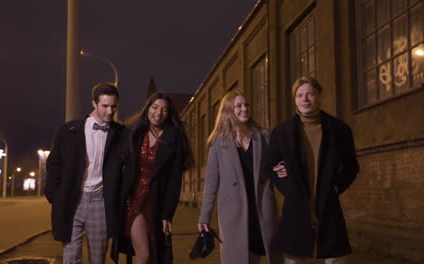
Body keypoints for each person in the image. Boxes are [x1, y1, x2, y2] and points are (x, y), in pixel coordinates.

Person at [267, 76, 360, 264]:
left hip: (328, 203)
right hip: (296, 206)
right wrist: (287, 186)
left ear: (319, 96)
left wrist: (336, 188)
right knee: (293, 258)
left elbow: (351, 166)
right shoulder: (282, 132)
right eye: (300, 95)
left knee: (334, 258)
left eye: (310, 94)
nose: (305, 99)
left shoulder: (339, 129)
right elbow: (271, 166)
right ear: (295, 99)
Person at [45, 82, 127, 264]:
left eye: (114, 106)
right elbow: (54, 165)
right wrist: (55, 196)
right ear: (94, 103)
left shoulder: (121, 134)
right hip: (72, 200)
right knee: (71, 256)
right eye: (105, 106)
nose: (110, 111)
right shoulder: (69, 130)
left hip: (100, 201)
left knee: (98, 258)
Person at [198, 91, 280, 264]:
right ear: (228, 110)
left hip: (260, 206)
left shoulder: (263, 136)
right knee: (237, 257)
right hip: (234, 209)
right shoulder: (218, 142)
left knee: (255, 254)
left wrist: (281, 168)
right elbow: (211, 182)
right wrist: (204, 216)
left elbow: (274, 164)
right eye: (239, 106)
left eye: (246, 105)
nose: (245, 109)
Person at [112, 92, 194, 264]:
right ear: (147, 108)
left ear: (169, 113)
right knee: (144, 254)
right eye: (155, 107)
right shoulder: (133, 134)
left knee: (155, 255)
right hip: (133, 200)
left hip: (157, 201)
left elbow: (174, 181)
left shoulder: (174, 139)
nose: (158, 113)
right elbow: (117, 167)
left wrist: (167, 214)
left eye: (164, 110)